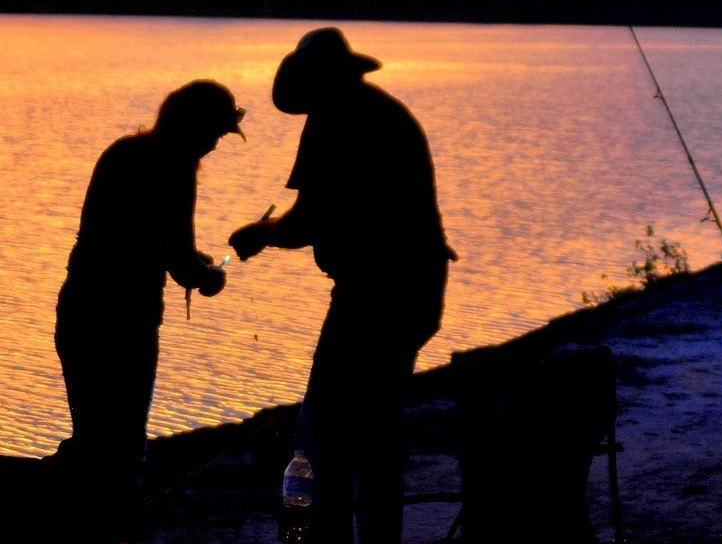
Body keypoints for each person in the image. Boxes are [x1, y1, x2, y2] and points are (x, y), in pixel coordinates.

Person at [229, 27, 455, 544]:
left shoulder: (335, 116)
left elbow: (308, 220)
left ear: (316, 75)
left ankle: (329, 540)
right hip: (415, 286)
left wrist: (261, 233)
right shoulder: (378, 108)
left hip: (376, 291)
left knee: (323, 434)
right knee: (374, 430)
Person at [52, 79, 245, 544]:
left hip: (79, 309)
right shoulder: (174, 167)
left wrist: (189, 258)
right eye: (215, 133)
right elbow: (178, 262)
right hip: (125, 321)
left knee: (93, 435)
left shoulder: (124, 152)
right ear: (193, 126)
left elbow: (139, 237)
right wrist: (212, 276)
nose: (215, 144)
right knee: (123, 450)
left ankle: (73, 520)